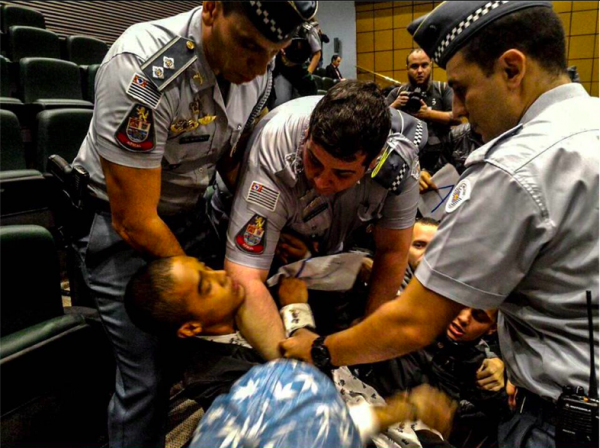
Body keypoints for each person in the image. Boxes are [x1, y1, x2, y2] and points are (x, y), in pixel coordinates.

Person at [281, 3, 599, 448]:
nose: (460, 109)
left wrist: (318, 348)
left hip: (560, 421)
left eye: (463, 88)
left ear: (512, 68)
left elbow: (414, 321)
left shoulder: (515, 166)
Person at [70, 2, 317, 446]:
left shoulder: (255, 70)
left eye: (272, 53)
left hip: (191, 210)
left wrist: (269, 229)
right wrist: (206, 285)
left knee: (243, 310)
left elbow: (231, 162)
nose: (258, 67)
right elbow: (135, 221)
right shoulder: (142, 68)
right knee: (147, 376)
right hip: (123, 227)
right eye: (248, 46)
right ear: (212, 8)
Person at [123, 264, 456, 448]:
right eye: (207, 286)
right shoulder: (213, 378)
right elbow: (311, 414)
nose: (222, 275)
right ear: (191, 327)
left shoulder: (253, 309)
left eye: (207, 268)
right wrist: (296, 312)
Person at [224, 80, 421, 360]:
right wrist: (297, 375)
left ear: (374, 161)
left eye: (342, 174)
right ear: (307, 136)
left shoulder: (399, 163)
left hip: (330, 254)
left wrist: (367, 335)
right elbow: (245, 276)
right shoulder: (275, 143)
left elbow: (392, 251)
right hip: (269, 243)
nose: (321, 180)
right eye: (314, 161)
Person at [385, 49, 461, 175]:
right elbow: (379, 122)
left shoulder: (443, 89)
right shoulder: (397, 93)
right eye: (414, 66)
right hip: (406, 160)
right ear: (407, 68)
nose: (420, 71)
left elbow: (457, 118)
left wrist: (428, 114)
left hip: (441, 159)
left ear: (430, 65)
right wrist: (394, 106)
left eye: (424, 65)